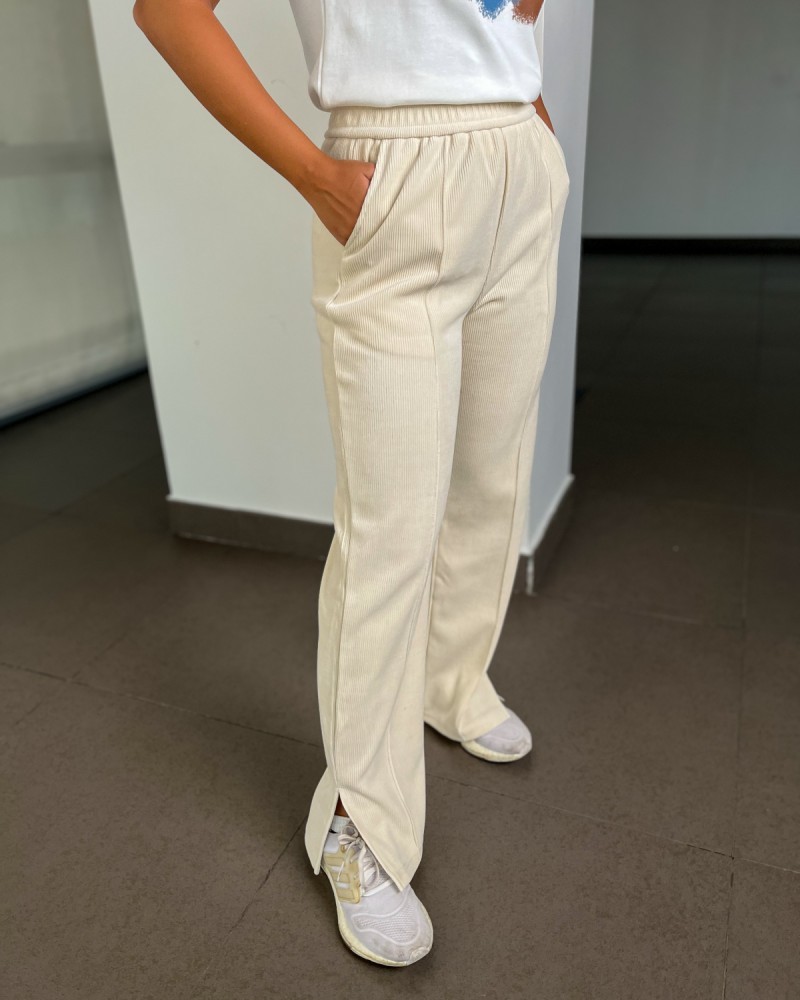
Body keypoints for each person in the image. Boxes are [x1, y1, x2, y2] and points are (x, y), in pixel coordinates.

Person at [132, 0, 569, 968]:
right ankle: (358, 826)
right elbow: (166, 10)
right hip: (391, 172)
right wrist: (313, 174)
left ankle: (450, 681)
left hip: (515, 152)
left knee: (490, 474)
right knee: (389, 528)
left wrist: (525, 114)